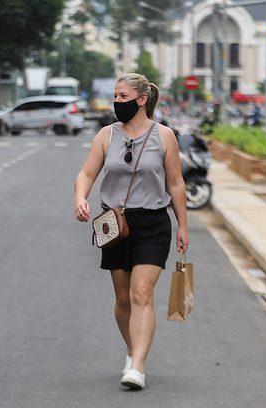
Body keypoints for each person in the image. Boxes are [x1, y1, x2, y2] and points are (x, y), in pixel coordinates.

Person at [74, 73, 189, 390]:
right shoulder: (105, 136)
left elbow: (176, 184)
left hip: (152, 222)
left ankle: (138, 365)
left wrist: (183, 225)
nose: (117, 102)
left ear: (141, 99)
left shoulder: (164, 136)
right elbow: (86, 173)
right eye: (115, 96)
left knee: (141, 293)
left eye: (123, 97)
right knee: (123, 298)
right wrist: (80, 197)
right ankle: (132, 350)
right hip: (114, 223)